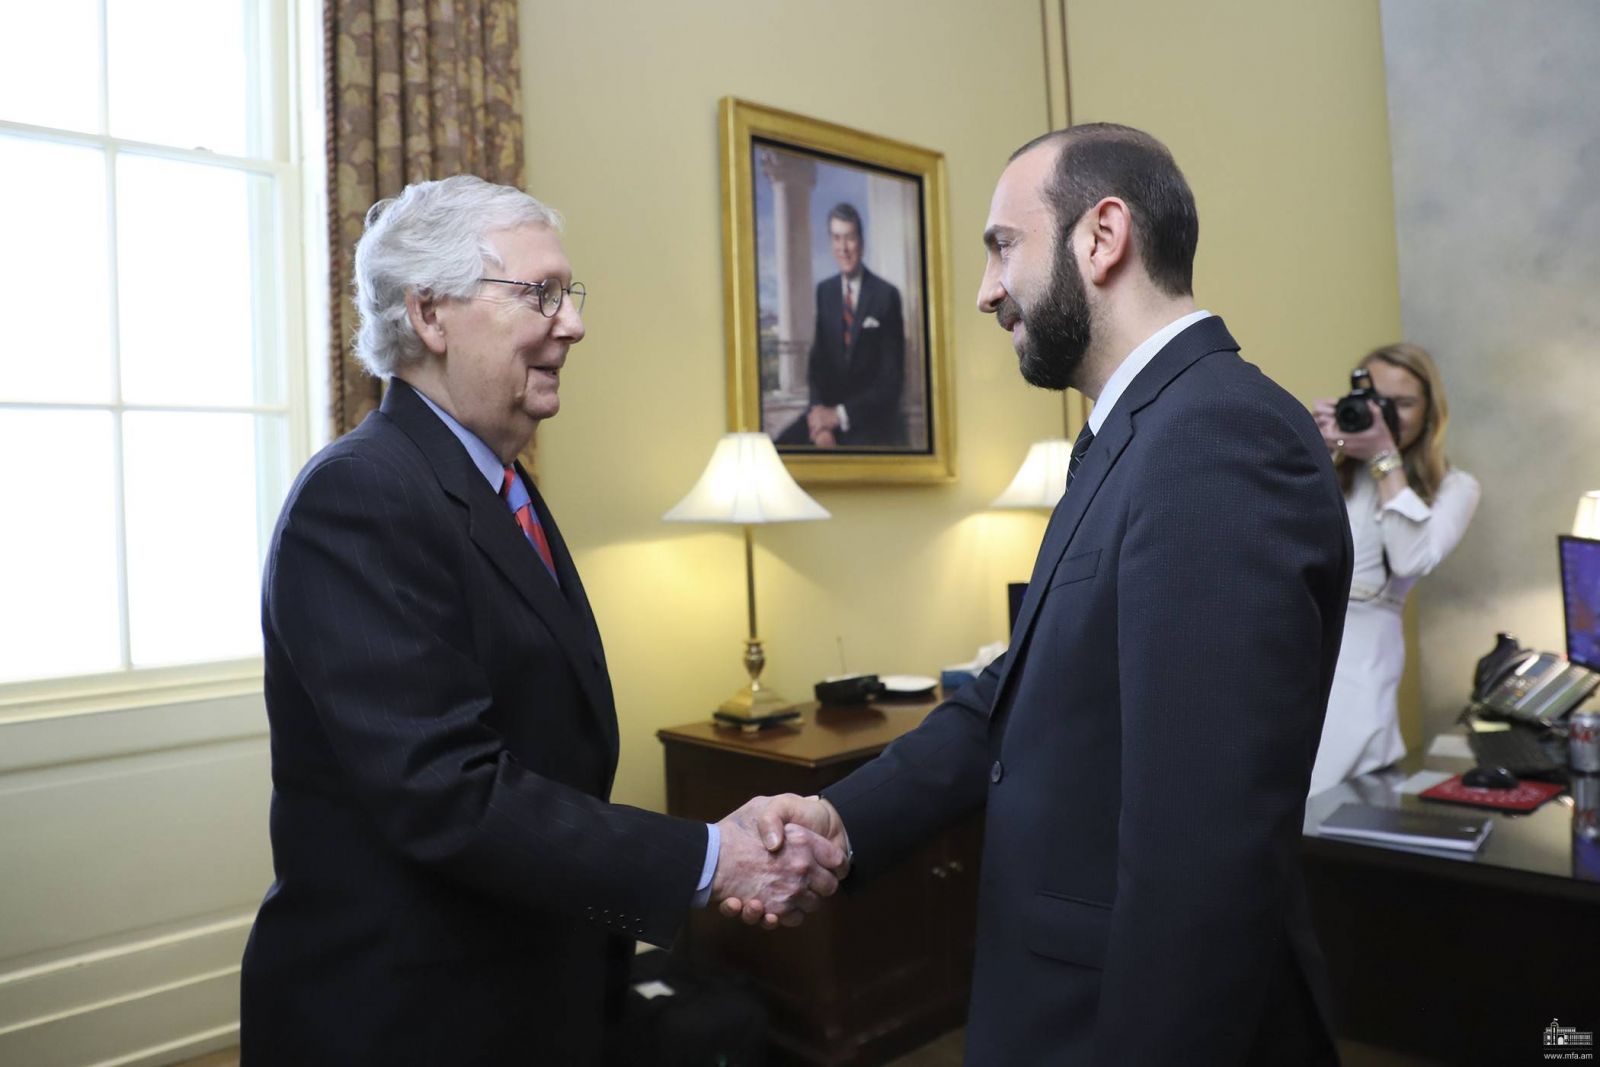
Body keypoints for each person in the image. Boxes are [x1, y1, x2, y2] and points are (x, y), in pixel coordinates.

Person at [731, 125, 1353, 1065]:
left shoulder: (1215, 437)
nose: (986, 291)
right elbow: (1009, 703)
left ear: (1102, 238)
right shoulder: (1134, 435)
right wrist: (847, 819)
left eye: (1001, 245)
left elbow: (1200, 858)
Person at [238, 176, 842, 1066]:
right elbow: (451, 793)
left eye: (570, 293)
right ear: (432, 314)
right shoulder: (361, 494)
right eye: (539, 294)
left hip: (527, 995)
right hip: (406, 1016)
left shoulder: (502, 483)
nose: (573, 323)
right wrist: (714, 856)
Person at [1308, 343, 1479, 794]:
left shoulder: (1456, 487)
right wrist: (1310, 447)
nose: (1386, 416)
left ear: (1429, 411)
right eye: (1377, 402)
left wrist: (1385, 460)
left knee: (1335, 792)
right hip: (1295, 639)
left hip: (1364, 655)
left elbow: (1410, 557)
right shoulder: (1329, 463)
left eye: (1402, 404)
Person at [775, 202, 906, 448]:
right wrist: (819, 422)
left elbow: (891, 381)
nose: (843, 248)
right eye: (837, 238)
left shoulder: (886, 296)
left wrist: (840, 416)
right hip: (825, 418)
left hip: (869, 420)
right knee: (778, 448)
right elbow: (816, 366)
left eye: (849, 238)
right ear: (830, 243)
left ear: (861, 243)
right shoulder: (825, 292)